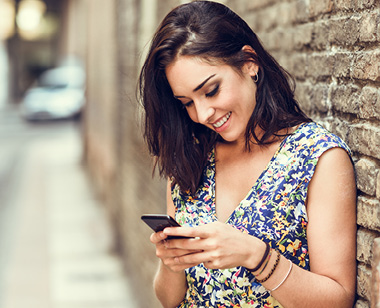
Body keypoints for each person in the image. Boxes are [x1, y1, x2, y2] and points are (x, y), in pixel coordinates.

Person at [138, 1, 357, 307]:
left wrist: (256, 255)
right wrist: (172, 262)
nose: (202, 114)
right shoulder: (191, 160)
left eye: (211, 90)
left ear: (249, 62)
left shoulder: (318, 157)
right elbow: (169, 299)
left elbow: (338, 300)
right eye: (186, 102)